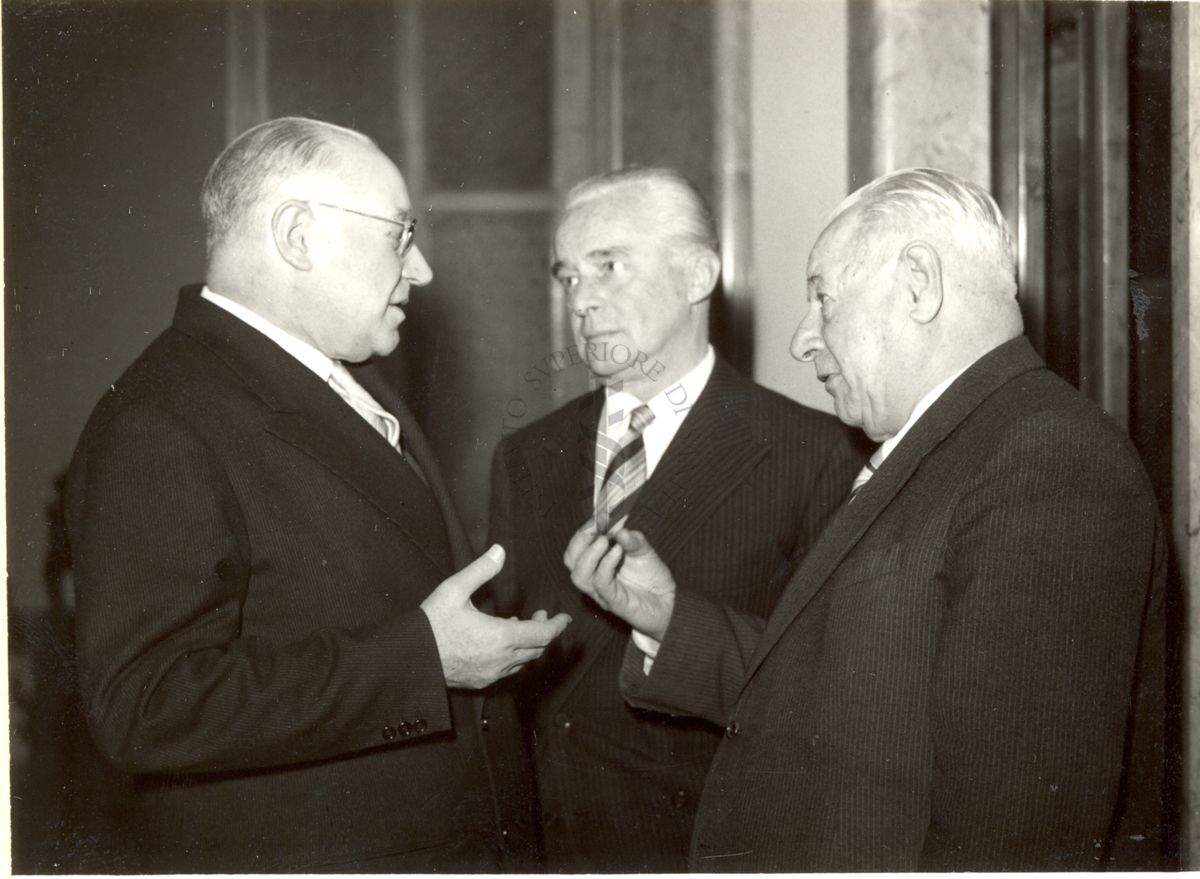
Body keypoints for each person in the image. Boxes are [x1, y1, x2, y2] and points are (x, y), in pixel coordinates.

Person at [566, 167, 1167, 871]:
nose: (802, 339)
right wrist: (670, 616)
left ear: (918, 282)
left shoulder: (1048, 460)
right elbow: (843, 697)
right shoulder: (952, 444)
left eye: (823, 298)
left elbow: (1011, 839)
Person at [64, 116, 570, 873]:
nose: (423, 268)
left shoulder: (348, 385)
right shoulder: (161, 415)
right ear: (298, 235)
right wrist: (422, 659)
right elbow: (145, 704)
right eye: (400, 233)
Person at [488, 166, 863, 871]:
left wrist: (670, 621)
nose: (582, 300)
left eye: (609, 266)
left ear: (698, 275)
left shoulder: (815, 454)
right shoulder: (524, 455)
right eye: (569, 276)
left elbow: (829, 695)